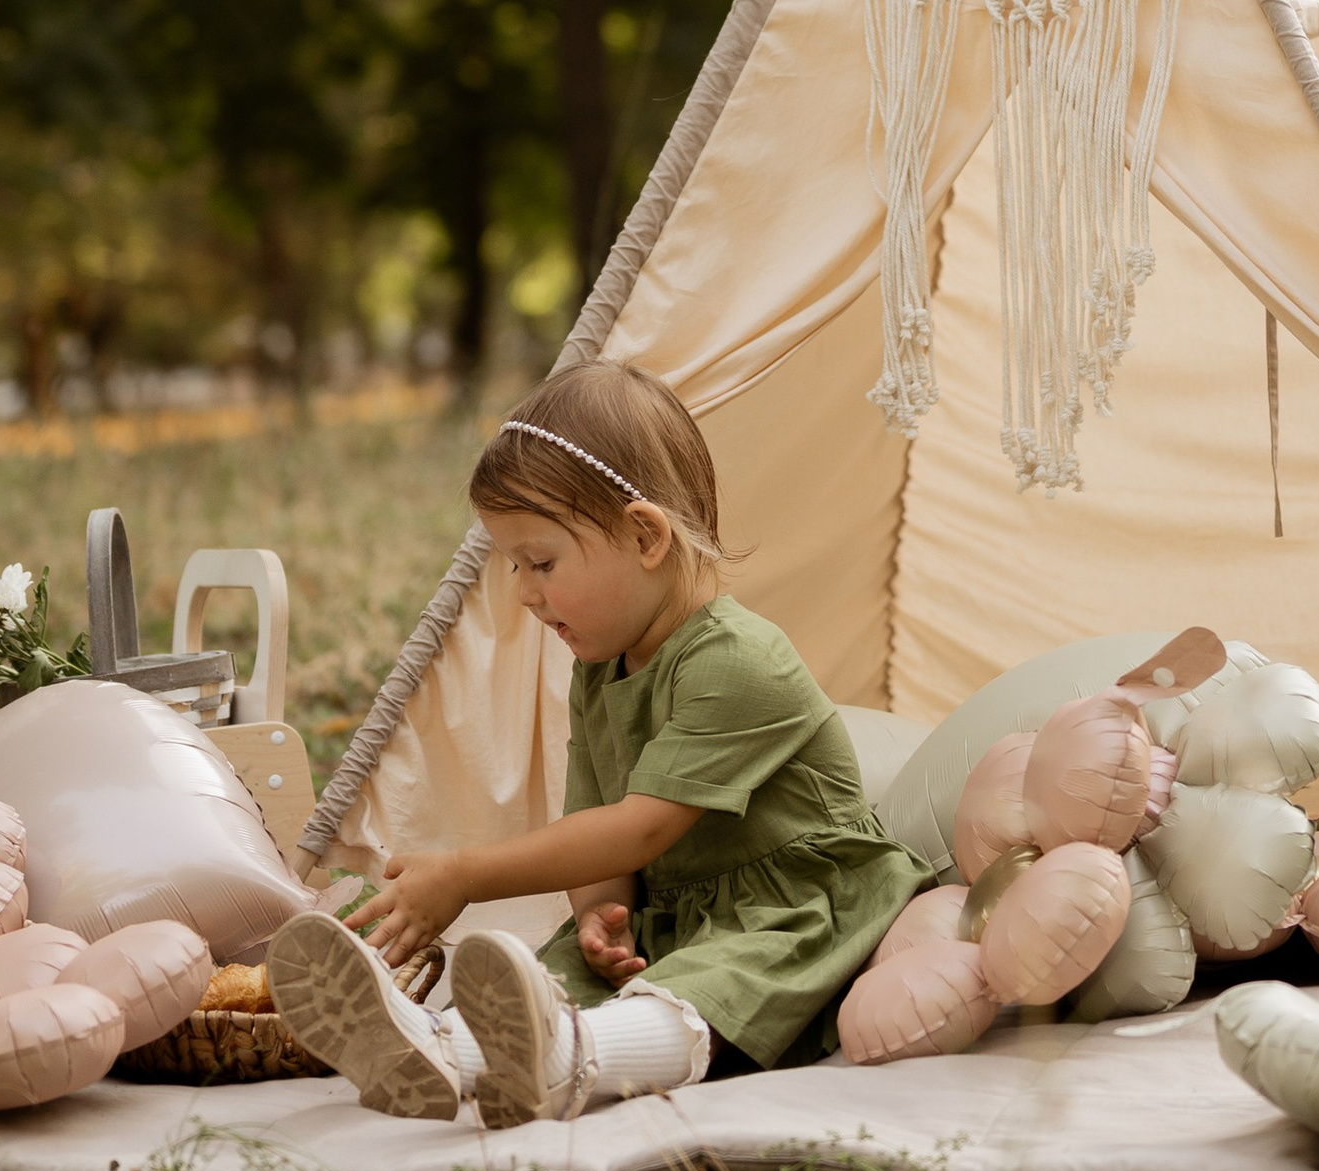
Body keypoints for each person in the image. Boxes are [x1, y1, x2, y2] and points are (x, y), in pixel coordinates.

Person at [266, 362, 930, 1123]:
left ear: (645, 536)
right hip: (683, 912)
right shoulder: (600, 669)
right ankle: (440, 1046)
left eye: (541, 562)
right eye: (514, 565)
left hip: (800, 913)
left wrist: (465, 875)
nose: (522, 590)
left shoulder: (740, 661)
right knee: (559, 975)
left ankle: (567, 1062)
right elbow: (594, 823)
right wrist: (600, 913)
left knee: (715, 981)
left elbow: (640, 826)